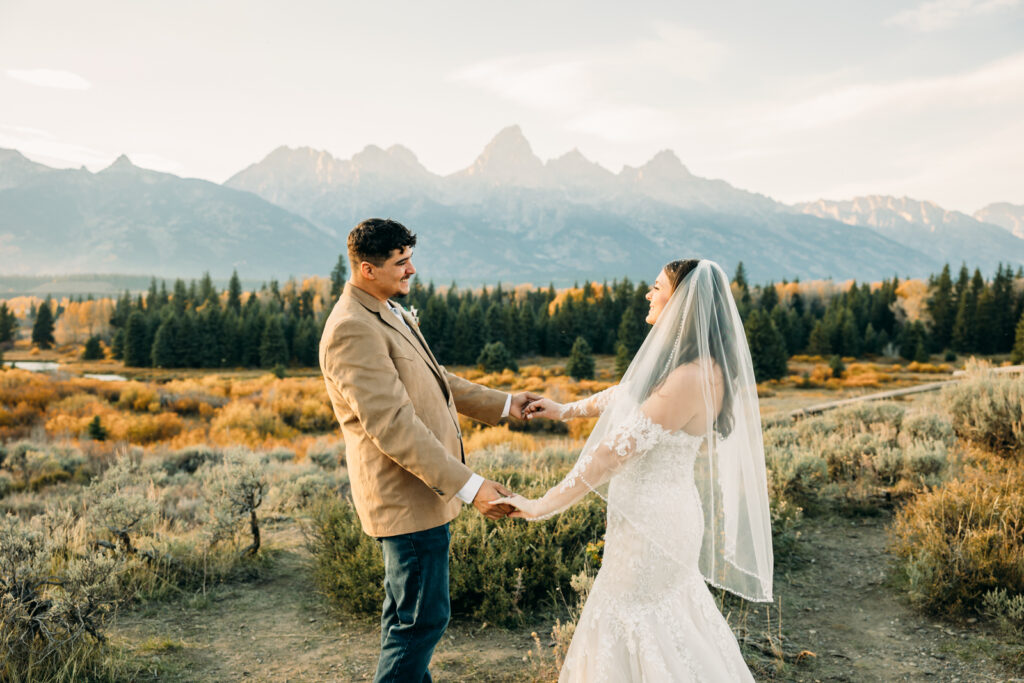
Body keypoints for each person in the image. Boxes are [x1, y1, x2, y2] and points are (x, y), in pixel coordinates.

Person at [499, 259, 774, 682]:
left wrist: (540, 506)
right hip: (657, 519)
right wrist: (565, 410)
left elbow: (611, 455)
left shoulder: (690, 375)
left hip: (653, 529)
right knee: (662, 621)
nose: (648, 293)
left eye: (657, 286)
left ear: (682, 302)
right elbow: (629, 394)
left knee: (635, 621)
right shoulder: (685, 366)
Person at [319, 218, 539, 682]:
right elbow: (393, 426)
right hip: (406, 498)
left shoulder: (384, 308)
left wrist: (504, 403)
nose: (412, 270)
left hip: (422, 497)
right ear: (367, 268)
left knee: (409, 620)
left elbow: (435, 379)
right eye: (401, 262)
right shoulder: (352, 329)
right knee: (421, 622)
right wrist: (471, 487)